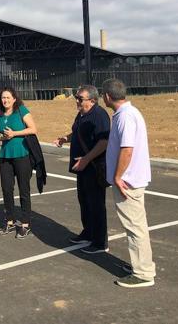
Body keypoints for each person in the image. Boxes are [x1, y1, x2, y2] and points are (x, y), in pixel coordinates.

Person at [102, 78, 156, 288]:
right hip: (131, 179)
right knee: (134, 225)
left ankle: (143, 273)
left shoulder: (125, 116)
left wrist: (117, 176)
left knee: (135, 226)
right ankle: (139, 265)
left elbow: (127, 149)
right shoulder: (127, 114)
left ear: (107, 96)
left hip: (128, 182)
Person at [53, 85, 110, 254]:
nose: (76, 101)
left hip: (93, 167)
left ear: (92, 100)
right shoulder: (82, 114)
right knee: (84, 201)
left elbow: (103, 142)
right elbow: (77, 133)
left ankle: (100, 242)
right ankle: (88, 233)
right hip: (82, 167)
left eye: (80, 99)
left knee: (96, 204)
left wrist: (86, 159)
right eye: (76, 98)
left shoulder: (99, 116)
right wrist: (65, 138)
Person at [0, 87, 38, 239]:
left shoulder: (21, 110)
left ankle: (25, 224)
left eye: (8, 97)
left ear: (14, 99)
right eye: (3, 98)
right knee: (6, 189)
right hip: (5, 156)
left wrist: (14, 134)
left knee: (24, 190)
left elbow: (33, 129)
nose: (5, 100)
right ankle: (10, 221)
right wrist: (2, 138)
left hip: (22, 155)